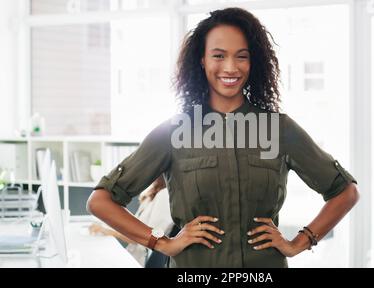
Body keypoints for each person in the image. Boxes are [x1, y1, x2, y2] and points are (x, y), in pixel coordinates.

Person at [87, 7, 359, 268]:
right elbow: (101, 201)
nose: (230, 67)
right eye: (218, 55)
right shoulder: (174, 131)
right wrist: (161, 242)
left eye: (242, 56)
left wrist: (300, 242)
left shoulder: (278, 129)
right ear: (202, 60)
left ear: (254, 62)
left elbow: (345, 192)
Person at [88, 176, 174, 267]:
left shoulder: (164, 195)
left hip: (141, 260)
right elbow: (133, 227)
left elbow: (146, 237)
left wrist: (106, 230)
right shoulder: (152, 193)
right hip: (133, 255)